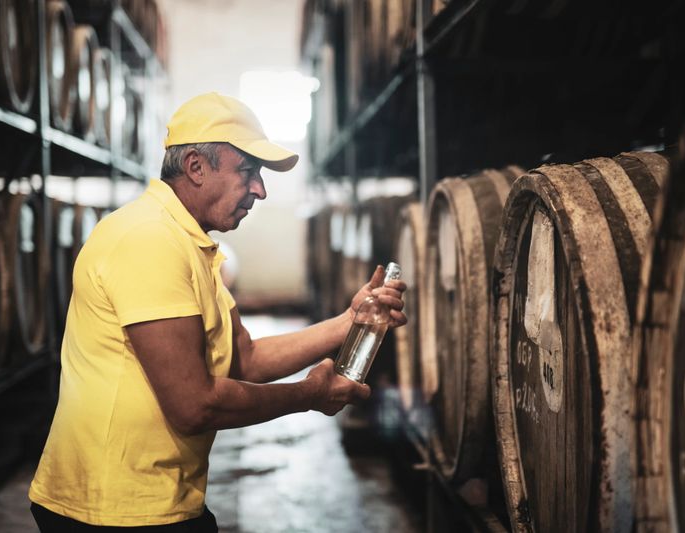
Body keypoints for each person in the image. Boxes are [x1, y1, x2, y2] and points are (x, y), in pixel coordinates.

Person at [28, 92, 407, 531]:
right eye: (248, 171)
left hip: (155, 496)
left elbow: (244, 357)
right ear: (195, 167)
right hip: (112, 507)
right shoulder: (148, 240)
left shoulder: (190, 244)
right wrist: (309, 396)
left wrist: (350, 322)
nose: (260, 190)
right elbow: (194, 406)